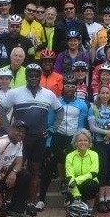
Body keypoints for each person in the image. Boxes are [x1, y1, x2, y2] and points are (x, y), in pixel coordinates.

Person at [0, 63, 63, 216]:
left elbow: (59, 112)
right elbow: (0, 109)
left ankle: (31, 203)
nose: (33, 78)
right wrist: (9, 130)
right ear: (26, 76)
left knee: (35, 171)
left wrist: (52, 129)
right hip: (19, 139)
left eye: (36, 75)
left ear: (40, 76)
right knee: (14, 169)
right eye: (30, 75)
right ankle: (9, 202)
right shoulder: (15, 93)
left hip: (38, 139)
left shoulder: (48, 94)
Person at [38, 74, 88, 209]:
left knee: (72, 170)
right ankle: (41, 199)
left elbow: (80, 125)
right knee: (48, 168)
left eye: (73, 86)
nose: (70, 88)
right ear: (63, 87)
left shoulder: (82, 105)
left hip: (72, 139)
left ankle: (70, 198)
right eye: (67, 86)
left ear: (76, 88)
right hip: (56, 137)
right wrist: (48, 143)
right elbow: (50, 123)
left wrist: (77, 142)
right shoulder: (56, 102)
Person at [88, 83, 110, 213]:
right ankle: (101, 200)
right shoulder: (93, 107)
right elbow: (92, 127)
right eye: (102, 93)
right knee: (102, 171)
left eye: (107, 93)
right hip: (99, 142)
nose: (105, 95)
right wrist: (106, 133)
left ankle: (108, 199)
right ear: (98, 94)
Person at [65, 129, 99, 217]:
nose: (83, 142)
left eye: (85, 140)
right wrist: (77, 196)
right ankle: (74, 201)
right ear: (75, 143)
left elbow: (93, 173)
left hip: (87, 183)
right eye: (80, 140)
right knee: (74, 215)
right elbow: (69, 176)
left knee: (90, 184)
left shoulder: (94, 154)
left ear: (89, 142)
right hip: (73, 186)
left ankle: (89, 210)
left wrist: (76, 180)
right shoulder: (69, 156)